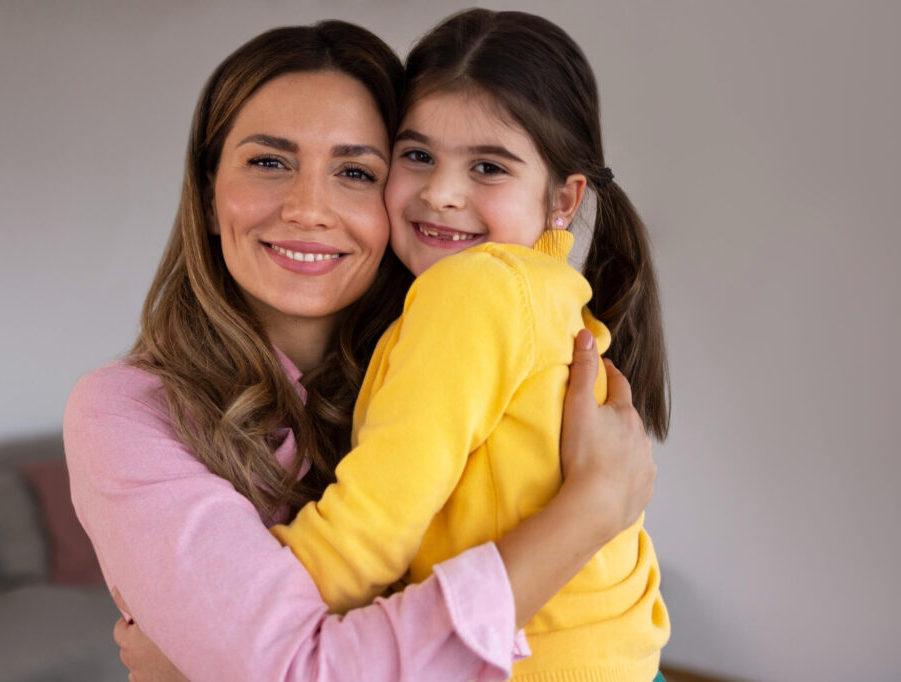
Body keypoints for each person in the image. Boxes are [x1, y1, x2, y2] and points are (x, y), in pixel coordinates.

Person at [65, 19, 654, 682]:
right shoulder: (126, 414)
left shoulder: (447, 332)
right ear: (206, 193)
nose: (309, 208)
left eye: (354, 170)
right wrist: (589, 513)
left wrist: (200, 660)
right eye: (268, 162)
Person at [268, 9, 671, 680]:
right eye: (418, 155)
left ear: (563, 199)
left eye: (487, 166)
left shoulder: (474, 292)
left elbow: (370, 527)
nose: (441, 194)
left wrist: (220, 630)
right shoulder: (547, 290)